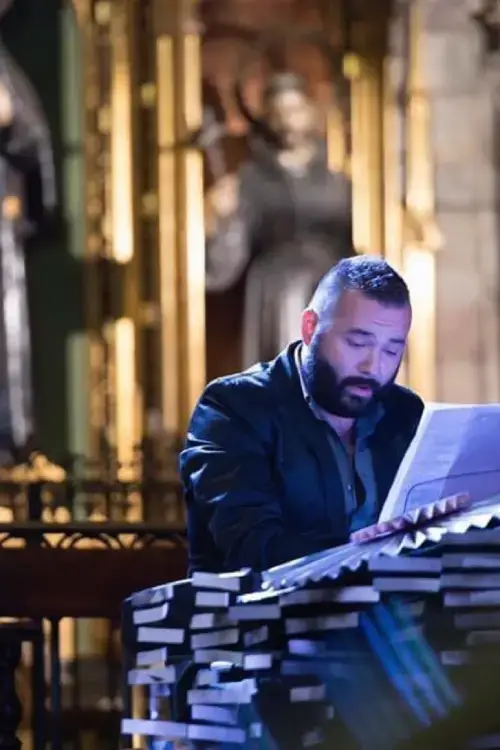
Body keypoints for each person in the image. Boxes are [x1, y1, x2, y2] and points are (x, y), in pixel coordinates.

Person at [180, 255, 424, 575]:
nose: (373, 367)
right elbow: (252, 549)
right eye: (357, 343)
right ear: (310, 327)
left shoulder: (406, 415)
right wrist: (361, 550)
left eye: (391, 350)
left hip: (392, 603)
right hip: (266, 605)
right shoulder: (233, 408)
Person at [205, 71, 354, 367]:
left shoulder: (338, 180)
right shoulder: (251, 180)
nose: (287, 121)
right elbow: (225, 263)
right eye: (278, 113)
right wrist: (225, 218)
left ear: (310, 113)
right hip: (276, 289)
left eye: (294, 110)